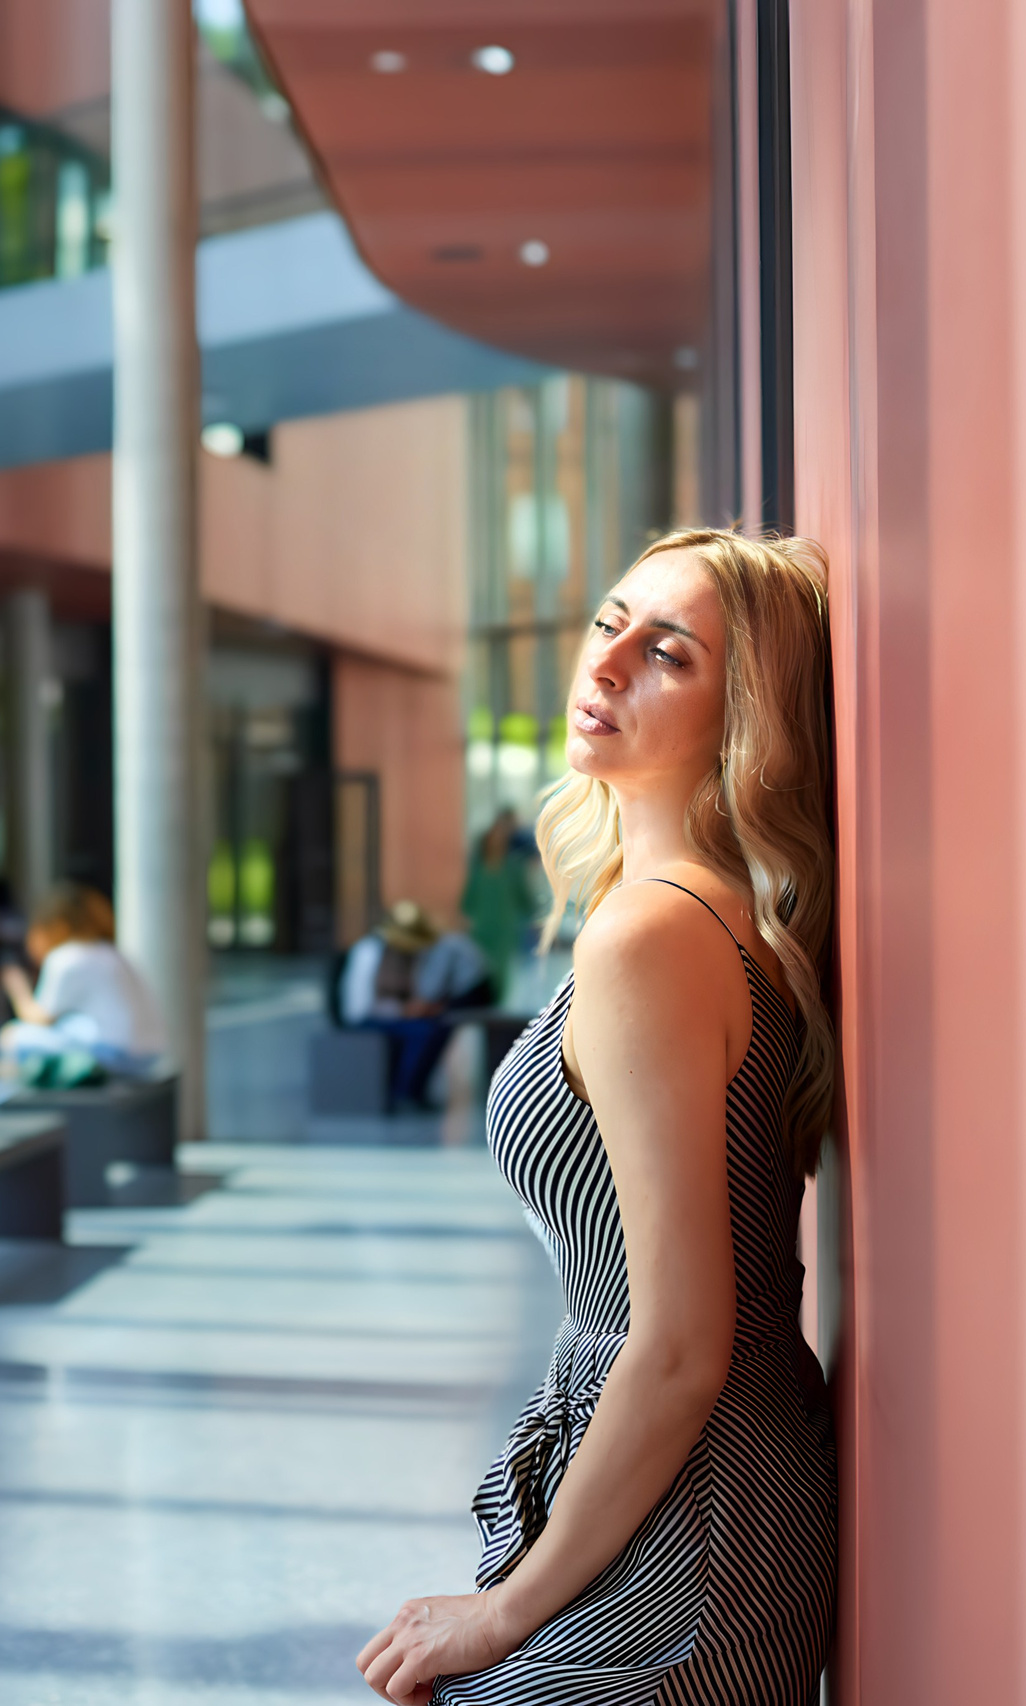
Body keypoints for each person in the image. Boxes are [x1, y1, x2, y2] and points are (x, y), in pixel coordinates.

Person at [359, 529, 841, 1704]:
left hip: (691, 1537)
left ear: (745, 718)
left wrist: (504, 1609)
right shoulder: (700, 911)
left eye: (669, 653)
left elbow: (678, 1343)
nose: (609, 661)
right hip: (693, 1490)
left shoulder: (653, 935)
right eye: (609, 623)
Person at [0, 882, 166, 1079]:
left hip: (117, 1055)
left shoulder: (66, 957)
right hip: (151, 1054)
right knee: (73, 1025)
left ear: (57, 927)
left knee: (13, 1037)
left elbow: (40, 1019)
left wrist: (17, 987)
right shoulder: (111, 952)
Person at [340, 900, 486, 1108]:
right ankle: (406, 1091)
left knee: (431, 1028)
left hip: (390, 1012)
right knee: (424, 1031)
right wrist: (404, 1010)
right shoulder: (370, 952)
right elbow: (360, 1005)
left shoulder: (415, 951)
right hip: (367, 1017)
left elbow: (424, 992)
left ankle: (409, 1090)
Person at [459, 810, 543, 1004]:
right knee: (479, 969)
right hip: (481, 930)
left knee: (501, 972)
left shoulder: (512, 868)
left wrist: (537, 921)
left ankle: (498, 1007)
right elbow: (467, 901)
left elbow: (525, 900)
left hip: (504, 929)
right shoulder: (478, 869)